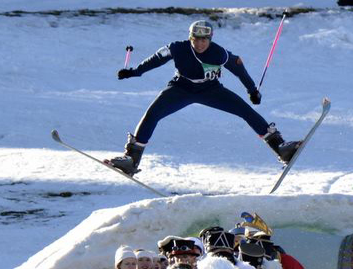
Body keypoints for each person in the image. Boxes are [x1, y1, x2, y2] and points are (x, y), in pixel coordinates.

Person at [106, 20, 301, 176]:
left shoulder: (219, 53)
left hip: (211, 90)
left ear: (210, 38)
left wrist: (252, 91)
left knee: (245, 111)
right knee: (152, 114)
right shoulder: (177, 48)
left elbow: (239, 69)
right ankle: (131, 160)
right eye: (196, 39)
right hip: (181, 88)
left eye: (204, 40)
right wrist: (134, 72)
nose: (200, 44)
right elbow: (155, 59)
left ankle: (281, 148)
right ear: (190, 37)